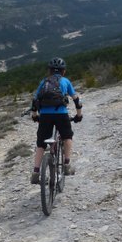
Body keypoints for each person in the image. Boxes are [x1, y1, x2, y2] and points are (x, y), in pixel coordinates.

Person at [30, 56, 82, 184]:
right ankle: (66, 166)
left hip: (45, 116)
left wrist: (35, 115)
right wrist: (79, 115)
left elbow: (35, 100)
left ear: (50, 71)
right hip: (61, 114)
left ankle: (36, 173)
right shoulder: (66, 81)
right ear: (63, 71)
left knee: (41, 144)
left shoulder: (44, 82)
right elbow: (76, 99)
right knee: (67, 137)